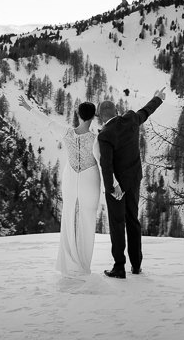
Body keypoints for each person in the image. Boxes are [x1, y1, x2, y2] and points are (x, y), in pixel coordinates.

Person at [98, 88, 166, 279]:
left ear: (102, 117)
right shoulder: (130, 119)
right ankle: (136, 265)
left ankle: (119, 267)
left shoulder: (105, 135)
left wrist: (113, 188)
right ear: (117, 111)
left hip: (117, 186)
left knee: (117, 223)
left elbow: (106, 165)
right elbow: (146, 111)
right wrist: (158, 98)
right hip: (133, 180)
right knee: (133, 221)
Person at [55, 101, 106, 277]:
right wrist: (114, 184)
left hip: (70, 178)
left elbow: (46, 121)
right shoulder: (95, 139)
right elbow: (103, 163)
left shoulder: (67, 132)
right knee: (86, 219)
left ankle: (69, 262)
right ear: (93, 116)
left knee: (69, 216)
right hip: (89, 179)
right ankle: (82, 263)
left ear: (78, 114)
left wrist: (28, 107)